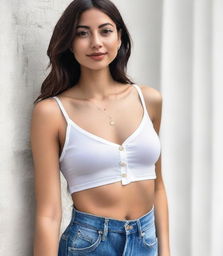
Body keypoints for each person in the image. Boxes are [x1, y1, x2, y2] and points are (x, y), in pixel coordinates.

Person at [30, 0, 170, 255]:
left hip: (147, 240)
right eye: (82, 33)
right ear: (69, 43)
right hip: (90, 244)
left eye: (105, 31)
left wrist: (166, 250)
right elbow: (49, 213)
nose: (96, 42)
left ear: (119, 38)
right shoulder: (51, 113)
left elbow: (158, 185)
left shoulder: (149, 100)